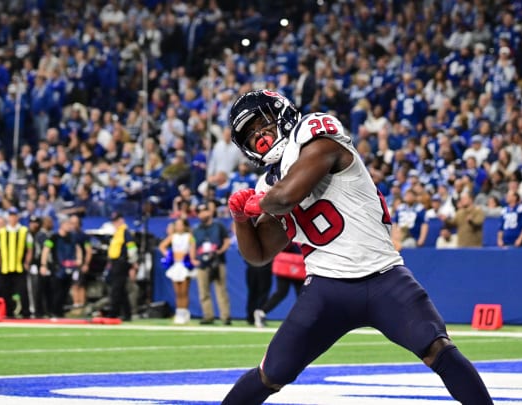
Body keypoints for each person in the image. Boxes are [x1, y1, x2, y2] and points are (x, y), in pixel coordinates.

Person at [223, 90, 491, 404]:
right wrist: (241, 219)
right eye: (250, 134)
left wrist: (259, 205)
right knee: (272, 373)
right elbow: (259, 254)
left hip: (384, 278)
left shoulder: (317, 133)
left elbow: (287, 196)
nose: (259, 135)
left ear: (281, 112)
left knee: (436, 348)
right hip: (326, 289)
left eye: (261, 123)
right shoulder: (269, 184)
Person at [192, 200, 231, 325]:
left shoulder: (218, 226)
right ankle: (208, 316)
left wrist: (220, 251)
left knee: (221, 289)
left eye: (205, 210)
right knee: (203, 291)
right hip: (202, 262)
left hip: (217, 261)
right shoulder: (196, 229)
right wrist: (193, 259)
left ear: (210, 211)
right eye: (200, 212)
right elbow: (193, 244)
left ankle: (225, 316)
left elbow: (226, 241)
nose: (203, 214)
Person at [253, 243, 306, 328]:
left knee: (300, 295)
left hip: (298, 266)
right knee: (282, 292)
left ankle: (303, 318)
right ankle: (261, 312)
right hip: (286, 265)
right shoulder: (289, 237)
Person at [0, 207, 33, 318]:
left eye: (14, 215)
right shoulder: (1, 232)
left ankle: (26, 313)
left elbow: (30, 249)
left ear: (17, 217)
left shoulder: (24, 231)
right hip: (5, 266)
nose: (12, 218)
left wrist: (27, 262)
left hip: (19, 266)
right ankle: (8, 313)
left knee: (22, 291)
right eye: (10, 216)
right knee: (6, 292)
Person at [158, 217, 198, 324]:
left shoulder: (189, 236)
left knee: (184, 291)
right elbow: (162, 246)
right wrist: (168, 255)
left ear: (184, 226)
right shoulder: (172, 236)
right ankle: (179, 312)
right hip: (176, 265)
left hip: (185, 265)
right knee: (177, 292)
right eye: (177, 224)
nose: (178, 227)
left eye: (180, 224)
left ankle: (185, 312)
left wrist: (192, 258)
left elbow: (193, 246)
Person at [40, 219, 82, 318]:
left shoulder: (72, 237)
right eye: (67, 224)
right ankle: (53, 311)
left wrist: (79, 260)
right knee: (56, 291)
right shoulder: (53, 237)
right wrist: (43, 264)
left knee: (65, 291)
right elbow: (46, 250)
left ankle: (60, 311)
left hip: (69, 268)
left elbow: (77, 248)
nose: (69, 226)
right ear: (62, 225)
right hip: (57, 268)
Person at [106, 212, 138, 321]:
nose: (115, 223)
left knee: (116, 288)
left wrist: (133, 263)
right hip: (115, 262)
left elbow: (132, 248)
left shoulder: (125, 232)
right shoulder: (117, 233)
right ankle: (127, 313)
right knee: (121, 289)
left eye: (116, 221)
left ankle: (113, 313)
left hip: (122, 263)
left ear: (121, 220)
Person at [69, 215, 93, 316]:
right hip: (71, 264)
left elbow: (88, 251)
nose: (73, 225)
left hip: (80, 264)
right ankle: (76, 305)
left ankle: (80, 307)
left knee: (80, 285)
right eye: (72, 223)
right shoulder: (68, 235)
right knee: (74, 285)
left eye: (75, 223)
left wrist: (86, 264)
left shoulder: (83, 236)